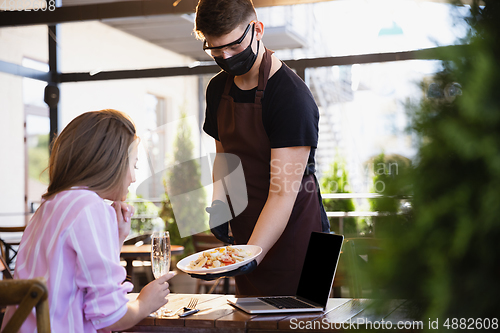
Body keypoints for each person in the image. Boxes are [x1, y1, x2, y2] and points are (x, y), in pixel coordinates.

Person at [193, 0, 330, 296]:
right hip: (249, 234)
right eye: (216, 50)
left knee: (303, 324)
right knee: (250, 323)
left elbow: (282, 193)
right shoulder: (217, 89)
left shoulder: (291, 97)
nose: (226, 57)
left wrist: (251, 254)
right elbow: (223, 157)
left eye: (233, 47)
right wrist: (220, 205)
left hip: (301, 237)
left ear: (258, 30)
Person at [1, 109, 174, 333]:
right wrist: (144, 303)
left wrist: (117, 237)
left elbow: (80, 282)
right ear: (110, 161)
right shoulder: (90, 208)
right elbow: (110, 317)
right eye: (134, 165)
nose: (133, 177)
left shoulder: (49, 206)